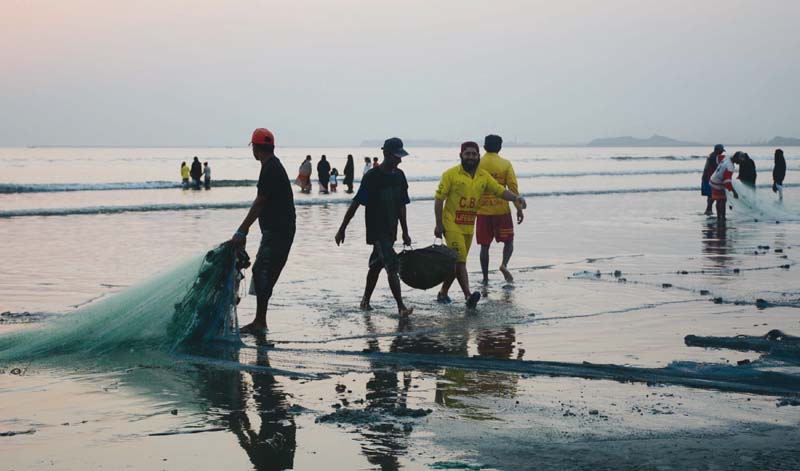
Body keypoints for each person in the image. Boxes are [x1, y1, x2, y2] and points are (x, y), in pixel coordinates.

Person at [434, 141, 526, 308]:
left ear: (478, 156)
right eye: (467, 154)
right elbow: (439, 199)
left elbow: (499, 190)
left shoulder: (483, 176)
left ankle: (443, 293)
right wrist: (439, 224)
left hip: (469, 225)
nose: (470, 157)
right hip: (452, 224)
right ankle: (468, 296)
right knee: (460, 260)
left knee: (456, 262)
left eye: (474, 154)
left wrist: (516, 198)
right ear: (460, 155)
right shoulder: (450, 174)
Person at [335, 137, 413, 317]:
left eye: (400, 156)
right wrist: (342, 229)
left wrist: (405, 232)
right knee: (392, 265)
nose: (399, 160)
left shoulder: (400, 176)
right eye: (396, 156)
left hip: (391, 228)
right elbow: (356, 203)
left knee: (376, 265)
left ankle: (364, 301)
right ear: (385, 154)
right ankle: (401, 307)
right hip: (377, 229)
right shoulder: (371, 177)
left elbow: (402, 205)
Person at [231, 128, 296, 334]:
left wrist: (242, 231)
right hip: (278, 230)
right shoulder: (272, 166)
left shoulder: (270, 168)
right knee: (264, 272)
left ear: (256, 148)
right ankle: (260, 320)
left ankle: (260, 322)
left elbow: (260, 202)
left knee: (262, 272)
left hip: (278, 231)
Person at [476, 134, 523, 285]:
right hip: (502, 209)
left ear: (484, 147)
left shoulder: (478, 163)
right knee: (509, 241)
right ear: (500, 147)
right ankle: (504, 265)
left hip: (482, 211)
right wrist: (519, 208)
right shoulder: (505, 164)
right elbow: (513, 187)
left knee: (485, 246)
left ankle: (485, 277)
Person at [709, 151, 742, 223]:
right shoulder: (730, 167)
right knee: (723, 200)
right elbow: (727, 182)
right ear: (736, 159)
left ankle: (719, 217)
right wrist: (734, 192)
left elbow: (717, 158)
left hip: (713, 179)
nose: (739, 163)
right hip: (718, 183)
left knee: (718, 200)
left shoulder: (726, 157)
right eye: (739, 160)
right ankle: (722, 217)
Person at [702, 144, 725, 215]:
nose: (722, 152)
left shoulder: (712, 156)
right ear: (717, 150)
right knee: (712, 195)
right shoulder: (714, 157)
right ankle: (708, 210)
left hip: (707, 177)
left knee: (710, 195)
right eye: (721, 151)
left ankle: (709, 210)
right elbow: (717, 168)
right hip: (709, 178)